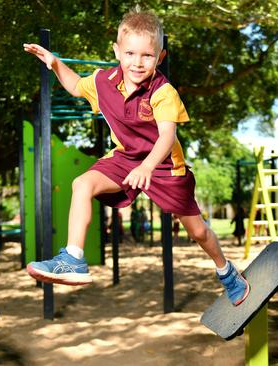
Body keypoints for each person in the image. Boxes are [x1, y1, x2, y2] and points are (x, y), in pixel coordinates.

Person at [23, 8, 249, 306]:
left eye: (147, 56)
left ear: (160, 57)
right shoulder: (104, 82)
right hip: (126, 159)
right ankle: (73, 258)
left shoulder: (163, 92)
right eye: (130, 53)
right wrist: (55, 64)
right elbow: (77, 87)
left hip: (166, 167)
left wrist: (148, 166)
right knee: (82, 183)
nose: (137, 63)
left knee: (197, 231)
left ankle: (226, 271)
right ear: (117, 51)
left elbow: (167, 136)